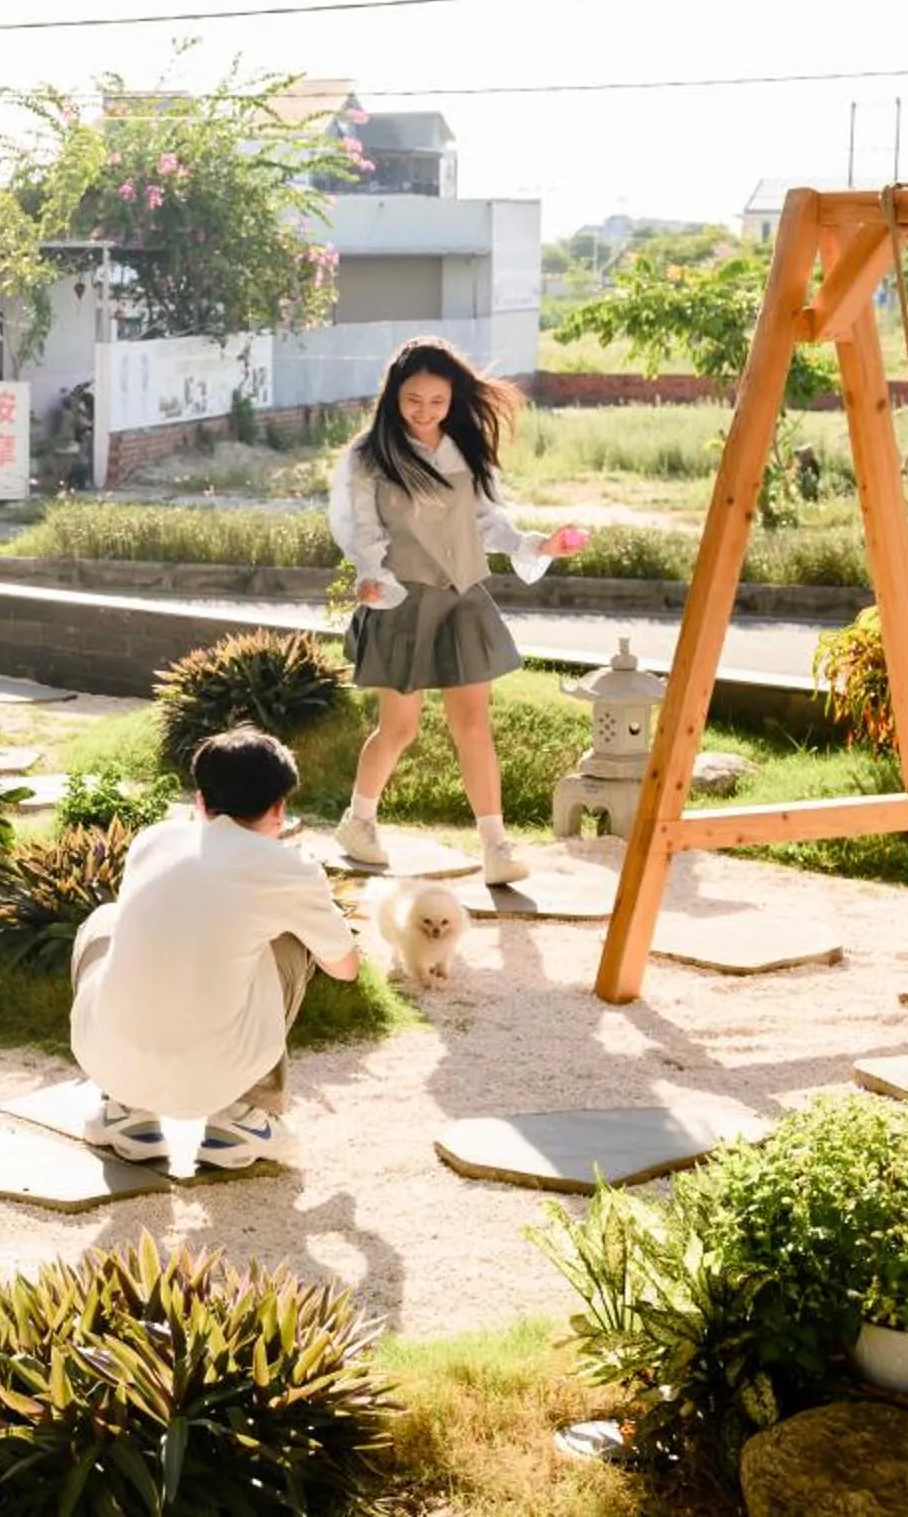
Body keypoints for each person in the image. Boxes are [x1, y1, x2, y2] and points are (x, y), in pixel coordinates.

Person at [325, 337, 582, 885]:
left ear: (452, 399)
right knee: (399, 729)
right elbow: (362, 531)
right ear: (393, 395)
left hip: (464, 597)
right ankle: (358, 822)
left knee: (473, 724)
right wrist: (371, 579)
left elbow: (489, 522)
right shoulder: (369, 456)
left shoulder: (465, 448)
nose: (424, 411)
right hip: (401, 598)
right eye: (412, 399)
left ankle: (496, 845)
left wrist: (539, 546)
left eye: (436, 401)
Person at [69, 727, 362, 1170]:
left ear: (200, 802)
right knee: (288, 942)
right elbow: (344, 967)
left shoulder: (155, 840)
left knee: (105, 922)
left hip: (109, 1059)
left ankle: (126, 1112)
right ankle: (244, 1116)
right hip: (216, 1073)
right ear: (279, 808)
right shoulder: (288, 869)